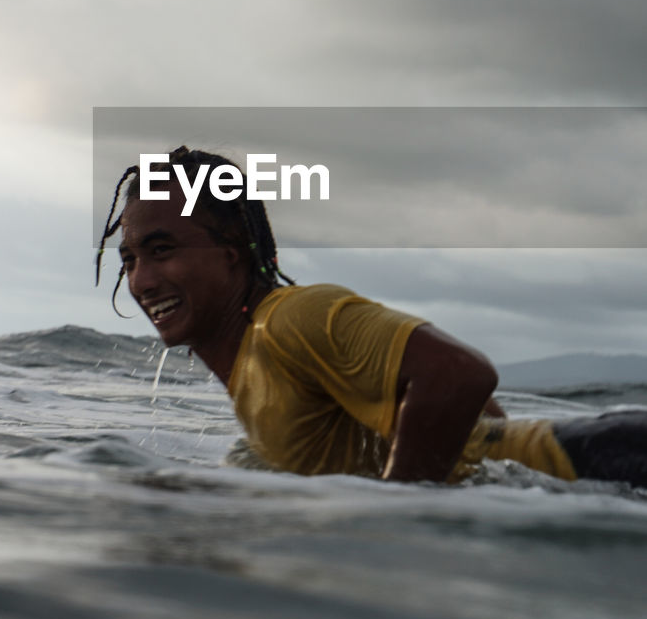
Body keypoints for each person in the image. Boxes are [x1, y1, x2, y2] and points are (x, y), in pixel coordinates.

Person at [96, 145, 647, 487]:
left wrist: (402, 512)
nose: (141, 279)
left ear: (232, 252)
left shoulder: (291, 320)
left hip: (603, 460)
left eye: (162, 250)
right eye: (130, 258)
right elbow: (475, 409)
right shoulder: (257, 360)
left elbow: (460, 375)